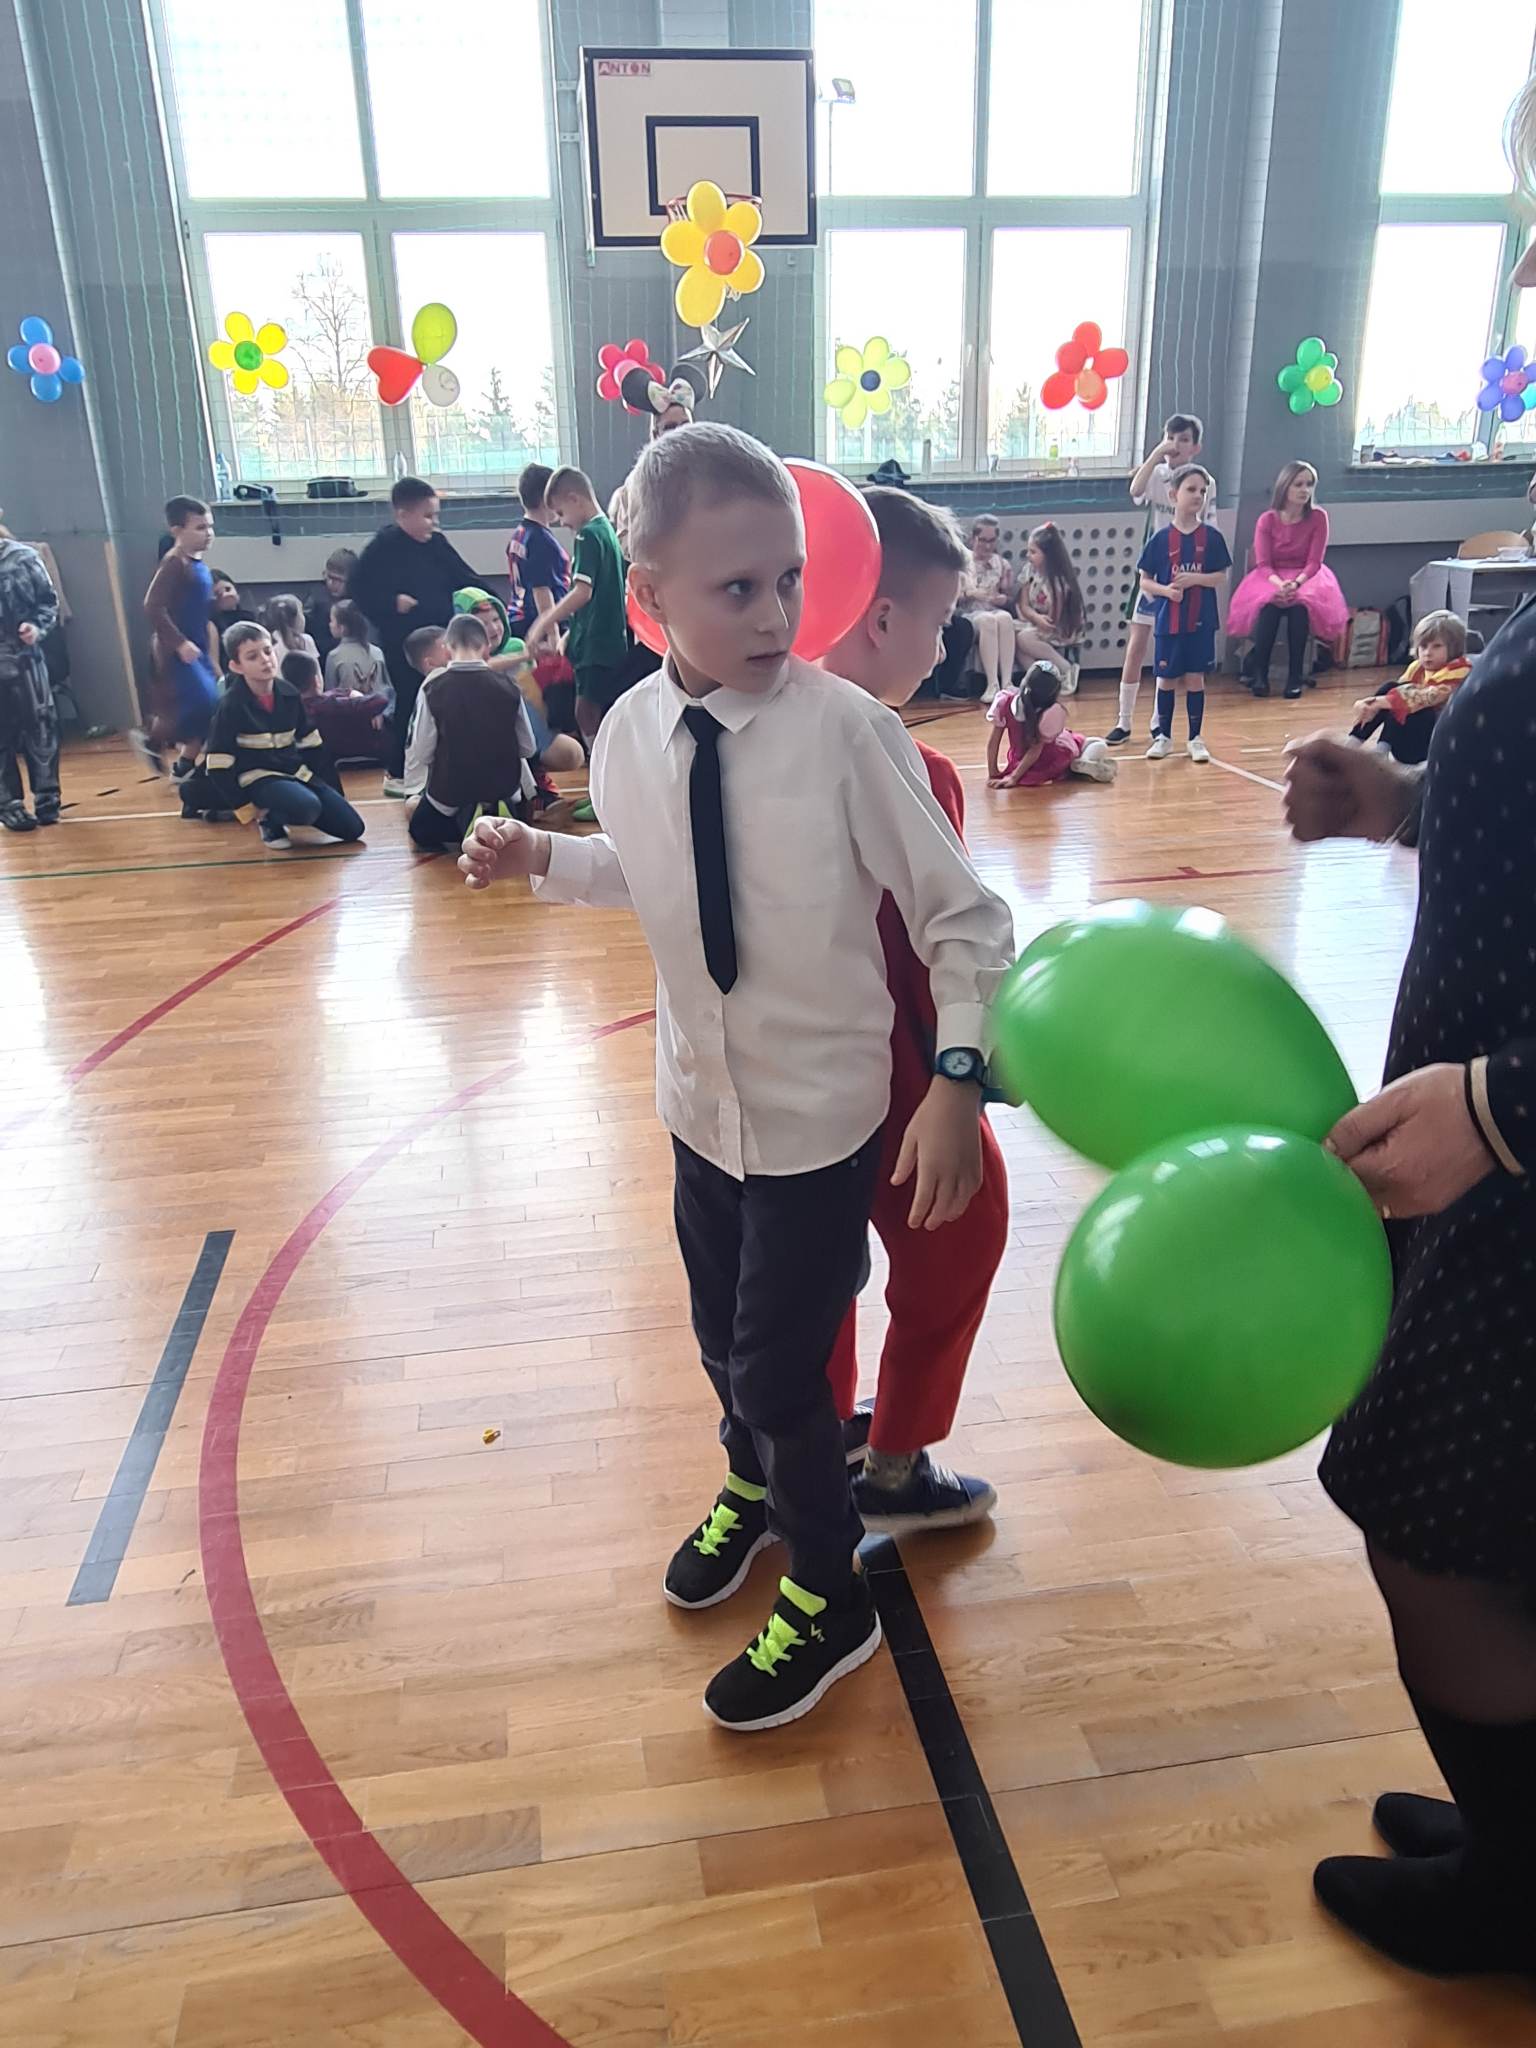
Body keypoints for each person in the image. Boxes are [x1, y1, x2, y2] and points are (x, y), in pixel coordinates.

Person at [459, 423, 1015, 1732]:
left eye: (789, 579)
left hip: (820, 1122)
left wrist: (954, 1082)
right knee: (723, 1346)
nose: (777, 614)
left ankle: (830, 1593)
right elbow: (655, 873)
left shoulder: (848, 735)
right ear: (650, 596)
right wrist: (544, 860)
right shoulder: (631, 733)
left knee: (778, 1371)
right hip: (699, 1110)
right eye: (739, 588)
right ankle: (755, 1490)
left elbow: (965, 918)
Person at [819, 486, 1006, 1532]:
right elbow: (953, 947)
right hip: (901, 1077)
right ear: (883, 616)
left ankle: (812, 1445)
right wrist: (961, 1077)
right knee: (962, 1235)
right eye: (940, 621)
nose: (943, 647)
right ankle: (893, 1463)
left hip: (796, 1083)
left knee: (812, 1267)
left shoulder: (756, 748)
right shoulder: (918, 769)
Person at [350, 478, 477, 798]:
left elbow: (466, 577)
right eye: (426, 516)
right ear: (402, 515)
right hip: (403, 646)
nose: (433, 523)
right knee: (410, 700)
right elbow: (357, 590)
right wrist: (391, 603)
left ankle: (446, 766)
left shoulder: (437, 544)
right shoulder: (382, 548)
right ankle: (398, 770)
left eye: (435, 515)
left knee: (447, 699)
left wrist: (490, 604)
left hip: (441, 641)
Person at [203, 622, 365, 851]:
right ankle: (269, 820)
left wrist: (332, 792)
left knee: (353, 828)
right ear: (236, 666)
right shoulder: (230, 706)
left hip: (296, 774)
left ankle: (298, 806)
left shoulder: (290, 694)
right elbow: (217, 766)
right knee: (307, 806)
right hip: (258, 780)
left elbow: (314, 748)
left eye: (267, 651)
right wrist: (245, 807)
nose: (265, 660)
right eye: (252, 656)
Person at [1110, 413, 1211, 746]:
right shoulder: (1158, 474)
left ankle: (1158, 722)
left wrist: (1198, 574)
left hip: (1184, 577)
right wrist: (1156, 454)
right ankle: (1124, 721)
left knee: (1166, 651)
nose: (1176, 445)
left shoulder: (1203, 482)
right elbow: (1136, 489)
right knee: (1136, 645)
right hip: (1156, 573)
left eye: (1184, 439)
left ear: (1195, 447)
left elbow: (1209, 528)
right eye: (1171, 437)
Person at [403, 612, 538, 851]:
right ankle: (495, 821)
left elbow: (422, 753)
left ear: (447, 649)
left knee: (419, 829)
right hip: (503, 790)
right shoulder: (508, 687)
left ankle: (466, 826)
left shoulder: (433, 689)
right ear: (486, 648)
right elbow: (528, 748)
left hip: (451, 793)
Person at [1229, 460, 1349, 698]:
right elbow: (1263, 563)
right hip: (1271, 577)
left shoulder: (1318, 517)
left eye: (1309, 484)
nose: (1305, 490)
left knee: (1299, 608)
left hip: (1306, 577)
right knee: (1269, 608)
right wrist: (1280, 584)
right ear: (1285, 487)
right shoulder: (1267, 520)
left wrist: (1296, 584)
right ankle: (1259, 673)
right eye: (1299, 484)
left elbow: (1314, 562)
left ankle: (1295, 676)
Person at [528, 467, 629, 746]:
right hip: (609, 639)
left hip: (595, 645)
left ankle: (598, 764)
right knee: (601, 709)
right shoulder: (608, 531)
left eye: (561, 513)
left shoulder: (588, 536)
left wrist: (544, 621)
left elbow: (582, 593)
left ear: (575, 499)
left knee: (585, 712)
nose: (561, 522)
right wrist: (571, 633)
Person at [1137, 464, 1231, 764]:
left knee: (1195, 679)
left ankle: (1195, 738)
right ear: (1173, 494)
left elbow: (1220, 576)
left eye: (1202, 491)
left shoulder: (1212, 537)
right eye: (1191, 489)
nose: (1198, 496)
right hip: (1169, 621)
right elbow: (1145, 580)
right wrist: (1166, 591)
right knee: (1166, 679)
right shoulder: (1160, 539)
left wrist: (1196, 580)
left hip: (1202, 620)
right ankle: (1163, 737)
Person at [141, 495, 221, 781]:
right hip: (176, 652)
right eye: (200, 528)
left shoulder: (196, 562)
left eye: (210, 526)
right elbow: (152, 605)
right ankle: (155, 741)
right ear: (177, 531)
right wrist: (179, 643)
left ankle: (184, 765)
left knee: (211, 707)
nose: (208, 533)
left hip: (197, 647)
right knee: (201, 705)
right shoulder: (174, 563)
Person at [0, 520, 62, 832]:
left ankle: (48, 796)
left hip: (26, 658)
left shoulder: (22, 557)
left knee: (41, 725)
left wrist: (36, 627)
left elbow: (48, 602)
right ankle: (8, 805)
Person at [1349, 609, 1470, 766]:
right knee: (1392, 687)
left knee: (1417, 706)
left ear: (1454, 648)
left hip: (1430, 746)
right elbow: (1397, 694)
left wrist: (1378, 702)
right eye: (1423, 646)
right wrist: (1374, 704)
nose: (1427, 653)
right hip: (1404, 742)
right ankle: (1354, 742)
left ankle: (1381, 752)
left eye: (1436, 646)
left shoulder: (1459, 671)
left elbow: (1429, 697)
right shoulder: (1417, 668)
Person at [987, 660, 1115, 790]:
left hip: (1021, 761)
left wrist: (993, 772)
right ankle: (1083, 761)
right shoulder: (1048, 716)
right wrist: (1014, 778)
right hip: (1051, 759)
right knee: (1097, 743)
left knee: (1080, 742)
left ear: (1025, 681)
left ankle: (1080, 763)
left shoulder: (1005, 702)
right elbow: (1035, 749)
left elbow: (993, 742)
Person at [1014, 521, 1086, 680]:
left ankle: (1065, 668)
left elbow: (1052, 621)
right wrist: (1035, 617)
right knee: (1015, 638)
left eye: (1033, 552)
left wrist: (1037, 620)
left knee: (1023, 638)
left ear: (1048, 555)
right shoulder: (1029, 571)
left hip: (1058, 628)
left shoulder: (1058, 582)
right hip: (1036, 621)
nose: (1028, 556)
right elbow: (1023, 604)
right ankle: (1039, 681)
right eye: (1028, 551)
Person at [507, 464, 570, 644]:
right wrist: (552, 634)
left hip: (519, 617)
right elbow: (542, 591)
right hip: (536, 624)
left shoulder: (520, 534)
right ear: (546, 499)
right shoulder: (541, 541)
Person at [958, 515, 1016, 703]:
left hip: (992, 608)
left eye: (992, 541)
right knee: (987, 621)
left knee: (1005, 618)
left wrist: (1002, 599)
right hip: (969, 612)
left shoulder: (1001, 564)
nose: (987, 546)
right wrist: (971, 594)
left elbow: (1009, 598)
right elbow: (954, 597)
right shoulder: (963, 562)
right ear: (973, 538)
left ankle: (1007, 681)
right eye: (983, 540)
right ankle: (992, 683)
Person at [323, 597, 390, 709]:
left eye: (332, 620)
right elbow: (387, 691)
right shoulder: (377, 653)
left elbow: (330, 696)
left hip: (346, 715)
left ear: (342, 628)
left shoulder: (335, 656)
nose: (330, 624)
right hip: (376, 714)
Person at [306, 547, 358, 669]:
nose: (331, 583)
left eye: (338, 580)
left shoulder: (359, 602)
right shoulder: (316, 598)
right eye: (329, 577)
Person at [265, 593, 319, 665]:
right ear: (297, 619)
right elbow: (316, 669)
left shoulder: (268, 644)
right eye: (302, 613)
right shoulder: (306, 640)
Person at [210, 570, 255, 635]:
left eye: (228, 589)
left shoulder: (249, 617)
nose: (225, 595)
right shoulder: (211, 625)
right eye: (217, 593)